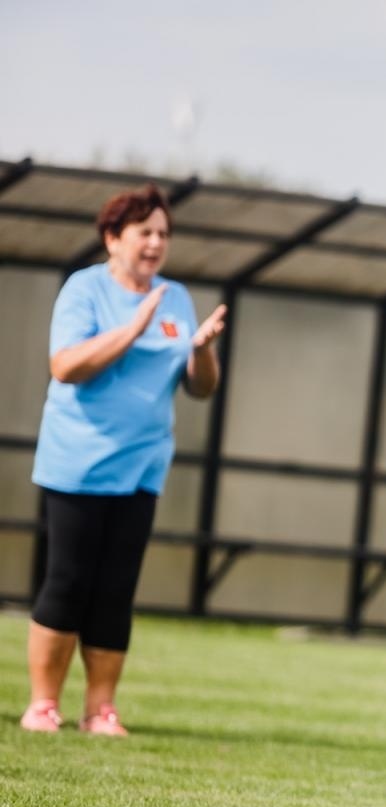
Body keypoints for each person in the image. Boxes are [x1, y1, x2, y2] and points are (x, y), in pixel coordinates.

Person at [19, 183, 227, 736]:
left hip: (142, 466)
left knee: (115, 587)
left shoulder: (176, 297)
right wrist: (132, 328)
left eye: (164, 233)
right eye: (145, 232)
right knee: (68, 581)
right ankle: (43, 705)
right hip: (78, 462)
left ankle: (100, 710)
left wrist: (202, 351)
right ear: (113, 239)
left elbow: (201, 389)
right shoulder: (83, 290)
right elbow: (65, 366)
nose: (156, 243)